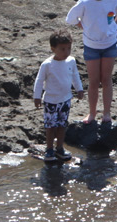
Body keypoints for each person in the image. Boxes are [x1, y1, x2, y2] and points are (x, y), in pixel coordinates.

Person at [66, 0, 117, 124]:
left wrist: (115, 25)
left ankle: (107, 113)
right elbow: (71, 19)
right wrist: (84, 27)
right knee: (93, 80)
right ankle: (92, 113)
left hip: (109, 44)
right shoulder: (84, 2)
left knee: (106, 79)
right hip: (91, 46)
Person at [32, 29, 83, 163]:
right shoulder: (47, 64)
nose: (66, 52)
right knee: (50, 126)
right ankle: (49, 149)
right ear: (53, 49)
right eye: (62, 49)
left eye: (69, 48)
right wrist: (37, 96)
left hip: (65, 100)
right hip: (51, 101)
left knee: (62, 125)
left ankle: (59, 148)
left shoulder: (71, 61)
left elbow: (75, 76)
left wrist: (79, 89)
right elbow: (39, 80)